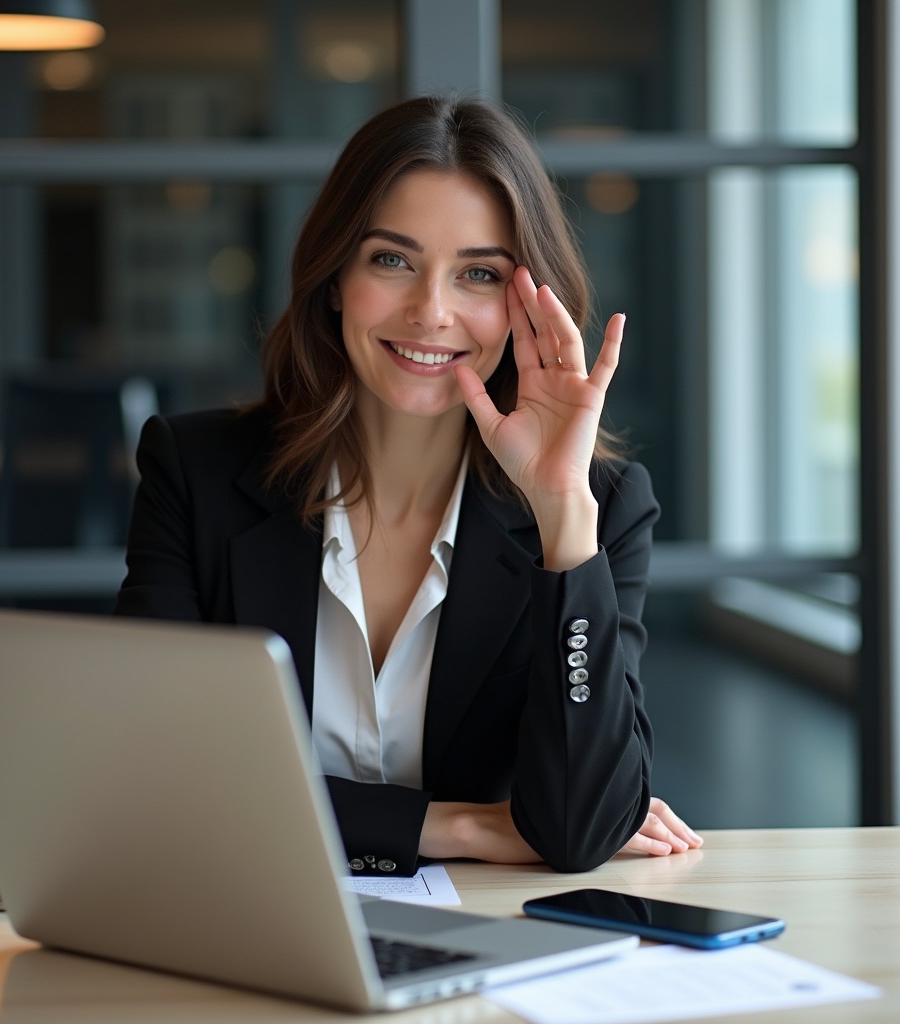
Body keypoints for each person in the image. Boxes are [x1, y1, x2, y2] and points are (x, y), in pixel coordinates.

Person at [115, 94, 702, 876]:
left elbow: (580, 828)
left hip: (488, 954)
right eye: (392, 260)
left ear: (528, 308)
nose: (431, 312)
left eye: (479, 275)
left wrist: (562, 517)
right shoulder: (195, 472)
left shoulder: (602, 509)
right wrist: (453, 826)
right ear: (334, 278)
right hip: (237, 913)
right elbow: (151, 784)